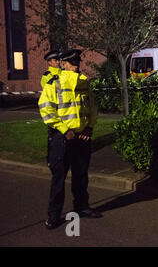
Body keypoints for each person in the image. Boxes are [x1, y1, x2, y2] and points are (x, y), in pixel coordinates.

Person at [38, 49, 102, 230]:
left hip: (82, 136)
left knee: (81, 176)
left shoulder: (84, 83)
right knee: (59, 178)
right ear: (63, 64)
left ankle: (82, 207)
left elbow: (92, 108)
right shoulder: (53, 83)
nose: (77, 64)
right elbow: (46, 110)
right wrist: (65, 130)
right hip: (62, 137)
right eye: (72, 62)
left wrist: (89, 128)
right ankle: (53, 215)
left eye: (77, 61)